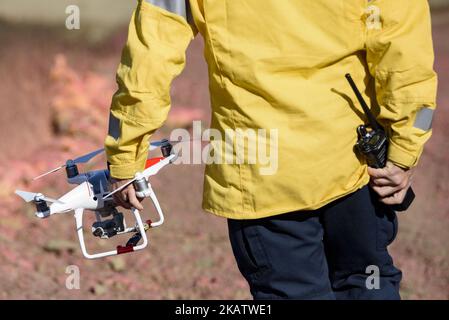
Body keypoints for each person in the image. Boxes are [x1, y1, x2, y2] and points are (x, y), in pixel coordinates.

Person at [104, 0, 437, 299]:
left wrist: (125, 155)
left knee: (294, 291)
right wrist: (404, 149)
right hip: (355, 162)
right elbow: (405, 47)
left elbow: (150, 58)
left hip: (262, 178)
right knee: (366, 283)